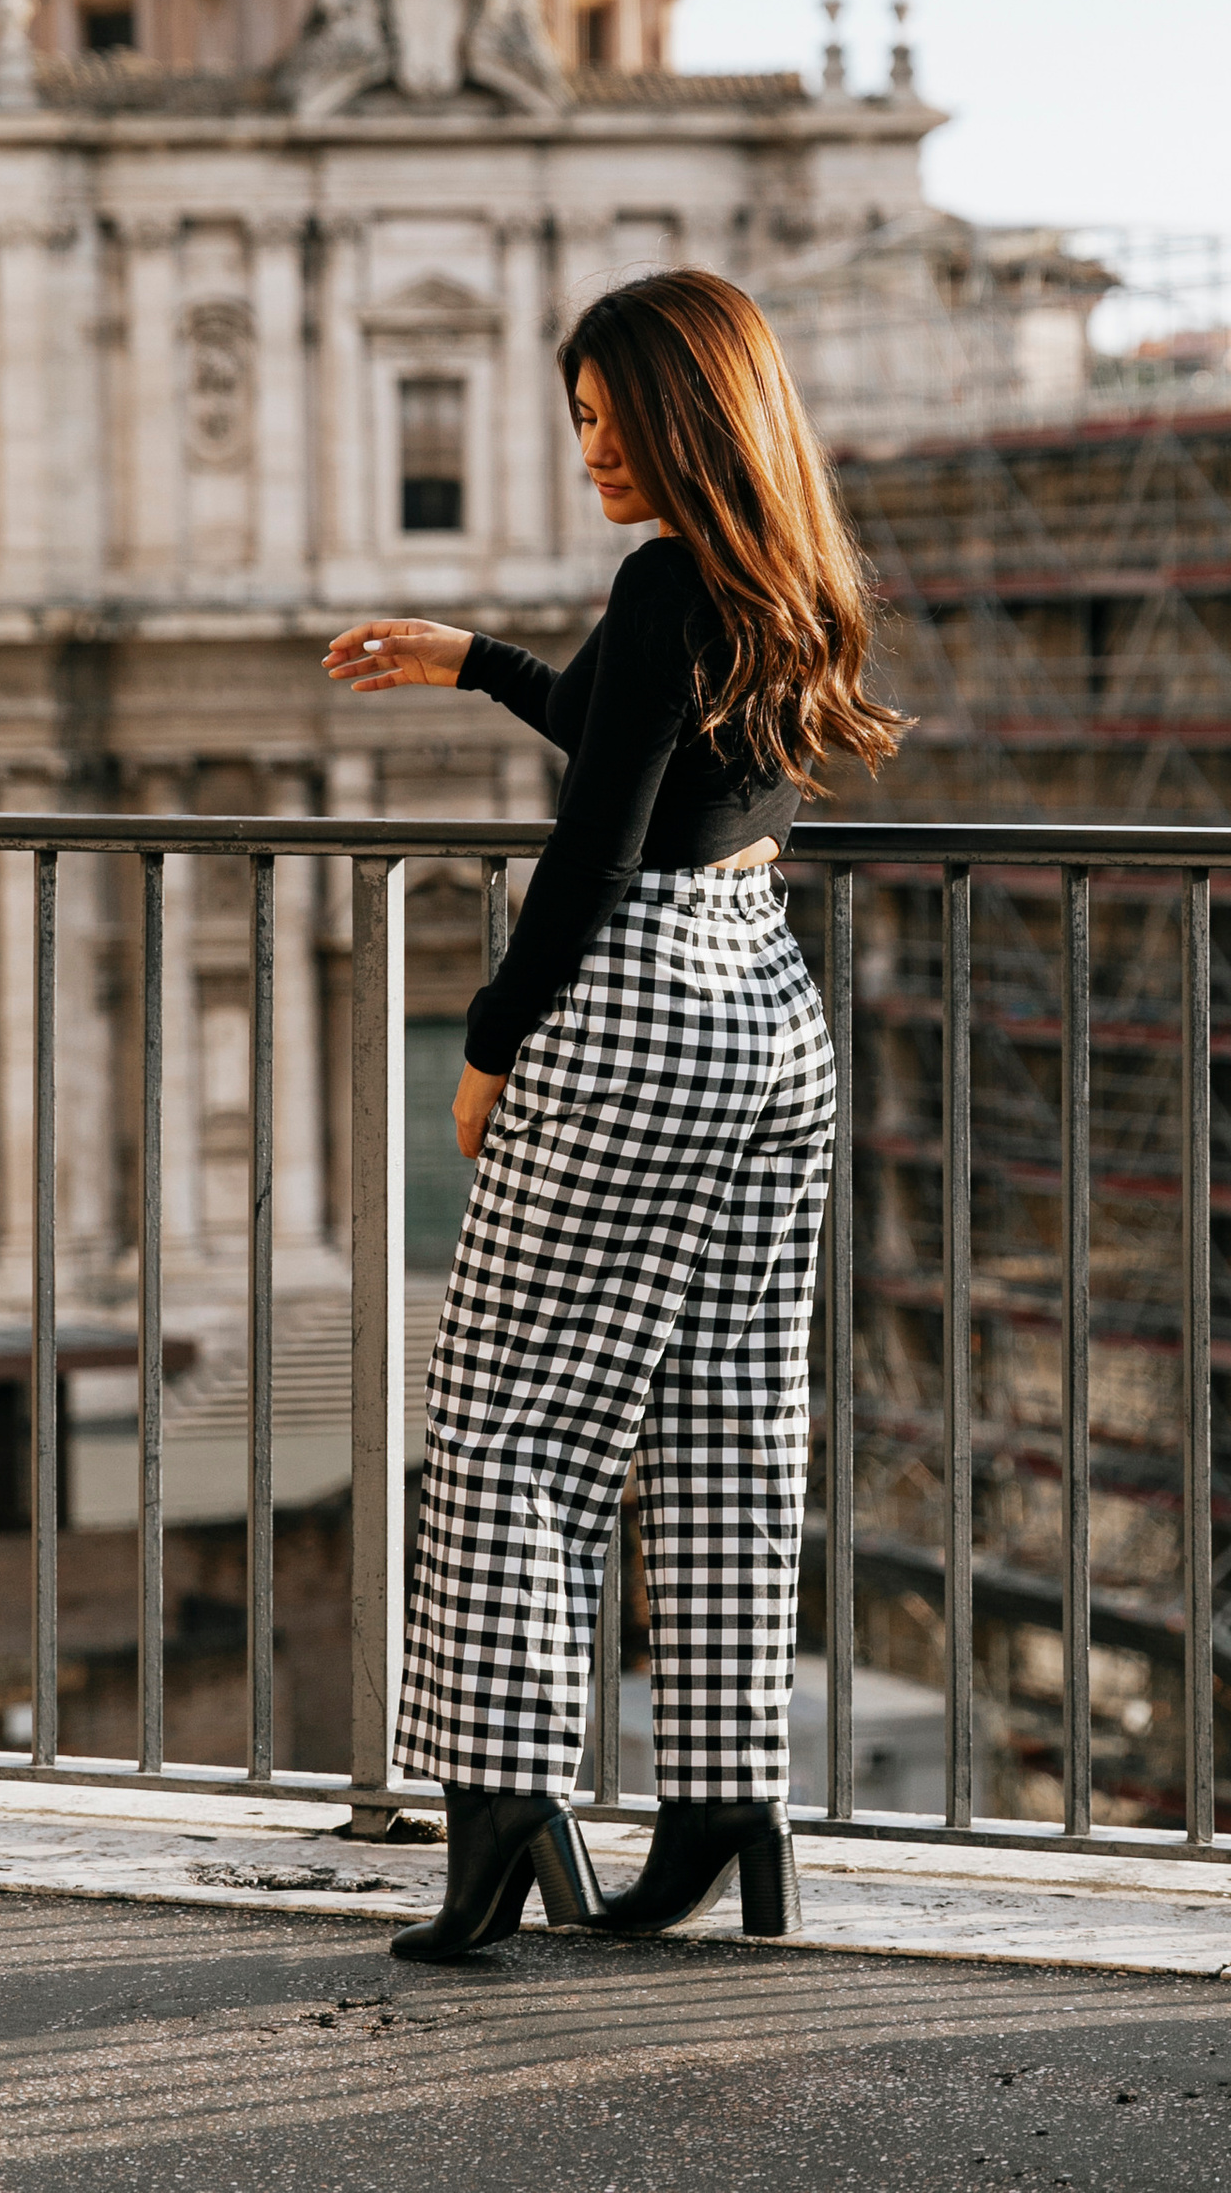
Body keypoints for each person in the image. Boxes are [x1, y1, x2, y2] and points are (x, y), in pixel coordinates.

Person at [323, 266, 902, 1960]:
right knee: (728, 1420)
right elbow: (632, 735)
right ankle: (728, 1807)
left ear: (679, 413)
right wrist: (478, 664)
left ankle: (504, 1808)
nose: (587, 448)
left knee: (510, 1427)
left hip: (635, 1008)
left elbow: (596, 840)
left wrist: (491, 1042)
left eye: (604, 417)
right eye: (577, 419)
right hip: (766, 1011)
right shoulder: (786, 572)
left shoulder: (663, 577)